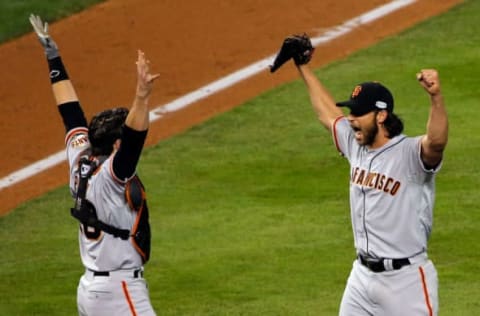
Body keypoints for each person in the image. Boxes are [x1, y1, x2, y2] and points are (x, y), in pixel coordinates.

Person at [271, 35, 448, 315]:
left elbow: (436, 143)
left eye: (358, 113)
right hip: (362, 278)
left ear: (380, 116)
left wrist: (435, 98)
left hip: (406, 282)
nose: (351, 118)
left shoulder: (410, 154)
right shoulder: (356, 145)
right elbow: (328, 114)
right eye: (351, 111)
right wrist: (302, 66)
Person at [29, 14, 159, 316]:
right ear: (115, 146)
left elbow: (70, 112)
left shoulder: (80, 161)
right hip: (120, 292)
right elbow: (134, 138)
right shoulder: (112, 176)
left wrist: (53, 56)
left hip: (90, 290)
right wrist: (142, 96)